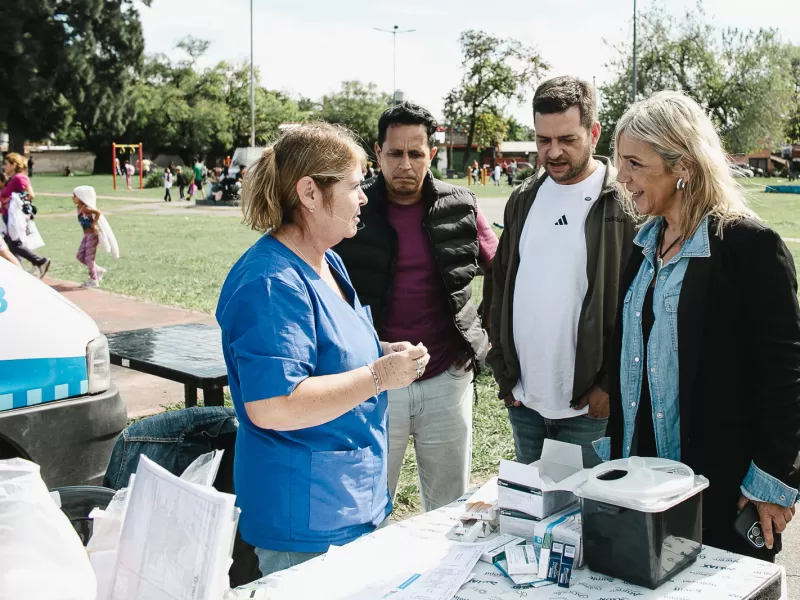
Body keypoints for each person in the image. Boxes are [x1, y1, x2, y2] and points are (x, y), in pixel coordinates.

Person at [216, 122, 431, 577]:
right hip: (305, 522)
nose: (365, 197)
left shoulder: (327, 259)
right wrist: (378, 376)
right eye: (354, 185)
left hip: (348, 501)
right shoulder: (271, 284)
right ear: (310, 192)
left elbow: (334, 349)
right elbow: (275, 405)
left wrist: (383, 352)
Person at [601, 90, 799, 561]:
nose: (621, 177)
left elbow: (786, 375)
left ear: (683, 166)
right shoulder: (644, 245)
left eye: (634, 163)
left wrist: (772, 482)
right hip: (642, 480)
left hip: (720, 489)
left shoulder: (750, 247)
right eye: (619, 161)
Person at [335, 102, 498, 512]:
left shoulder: (462, 204)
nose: (405, 163)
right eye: (395, 153)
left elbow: (504, 272)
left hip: (447, 379)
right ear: (378, 153)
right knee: (368, 509)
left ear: (431, 154)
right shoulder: (354, 209)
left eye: (415, 153)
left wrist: (481, 338)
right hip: (374, 382)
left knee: (449, 512)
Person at [488, 76, 635, 468]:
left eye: (567, 140)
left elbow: (636, 305)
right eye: (543, 140)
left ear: (594, 133)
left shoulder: (623, 204)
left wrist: (607, 384)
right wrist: (504, 373)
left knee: (588, 521)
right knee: (532, 516)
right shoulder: (523, 198)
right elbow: (498, 287)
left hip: (590, 407)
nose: (553, 152)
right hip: (524, 401)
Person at [1, 153, 50, 277]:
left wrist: (11, 200)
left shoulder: (19, 178)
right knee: (10, 245)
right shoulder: (11, 179)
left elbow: (30, 194)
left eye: (6, 164)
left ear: (14, 165)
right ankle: (18, 272)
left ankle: (39, 261)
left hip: (15, 217)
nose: (4, 166)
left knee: (14, 244)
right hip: (7, 216)